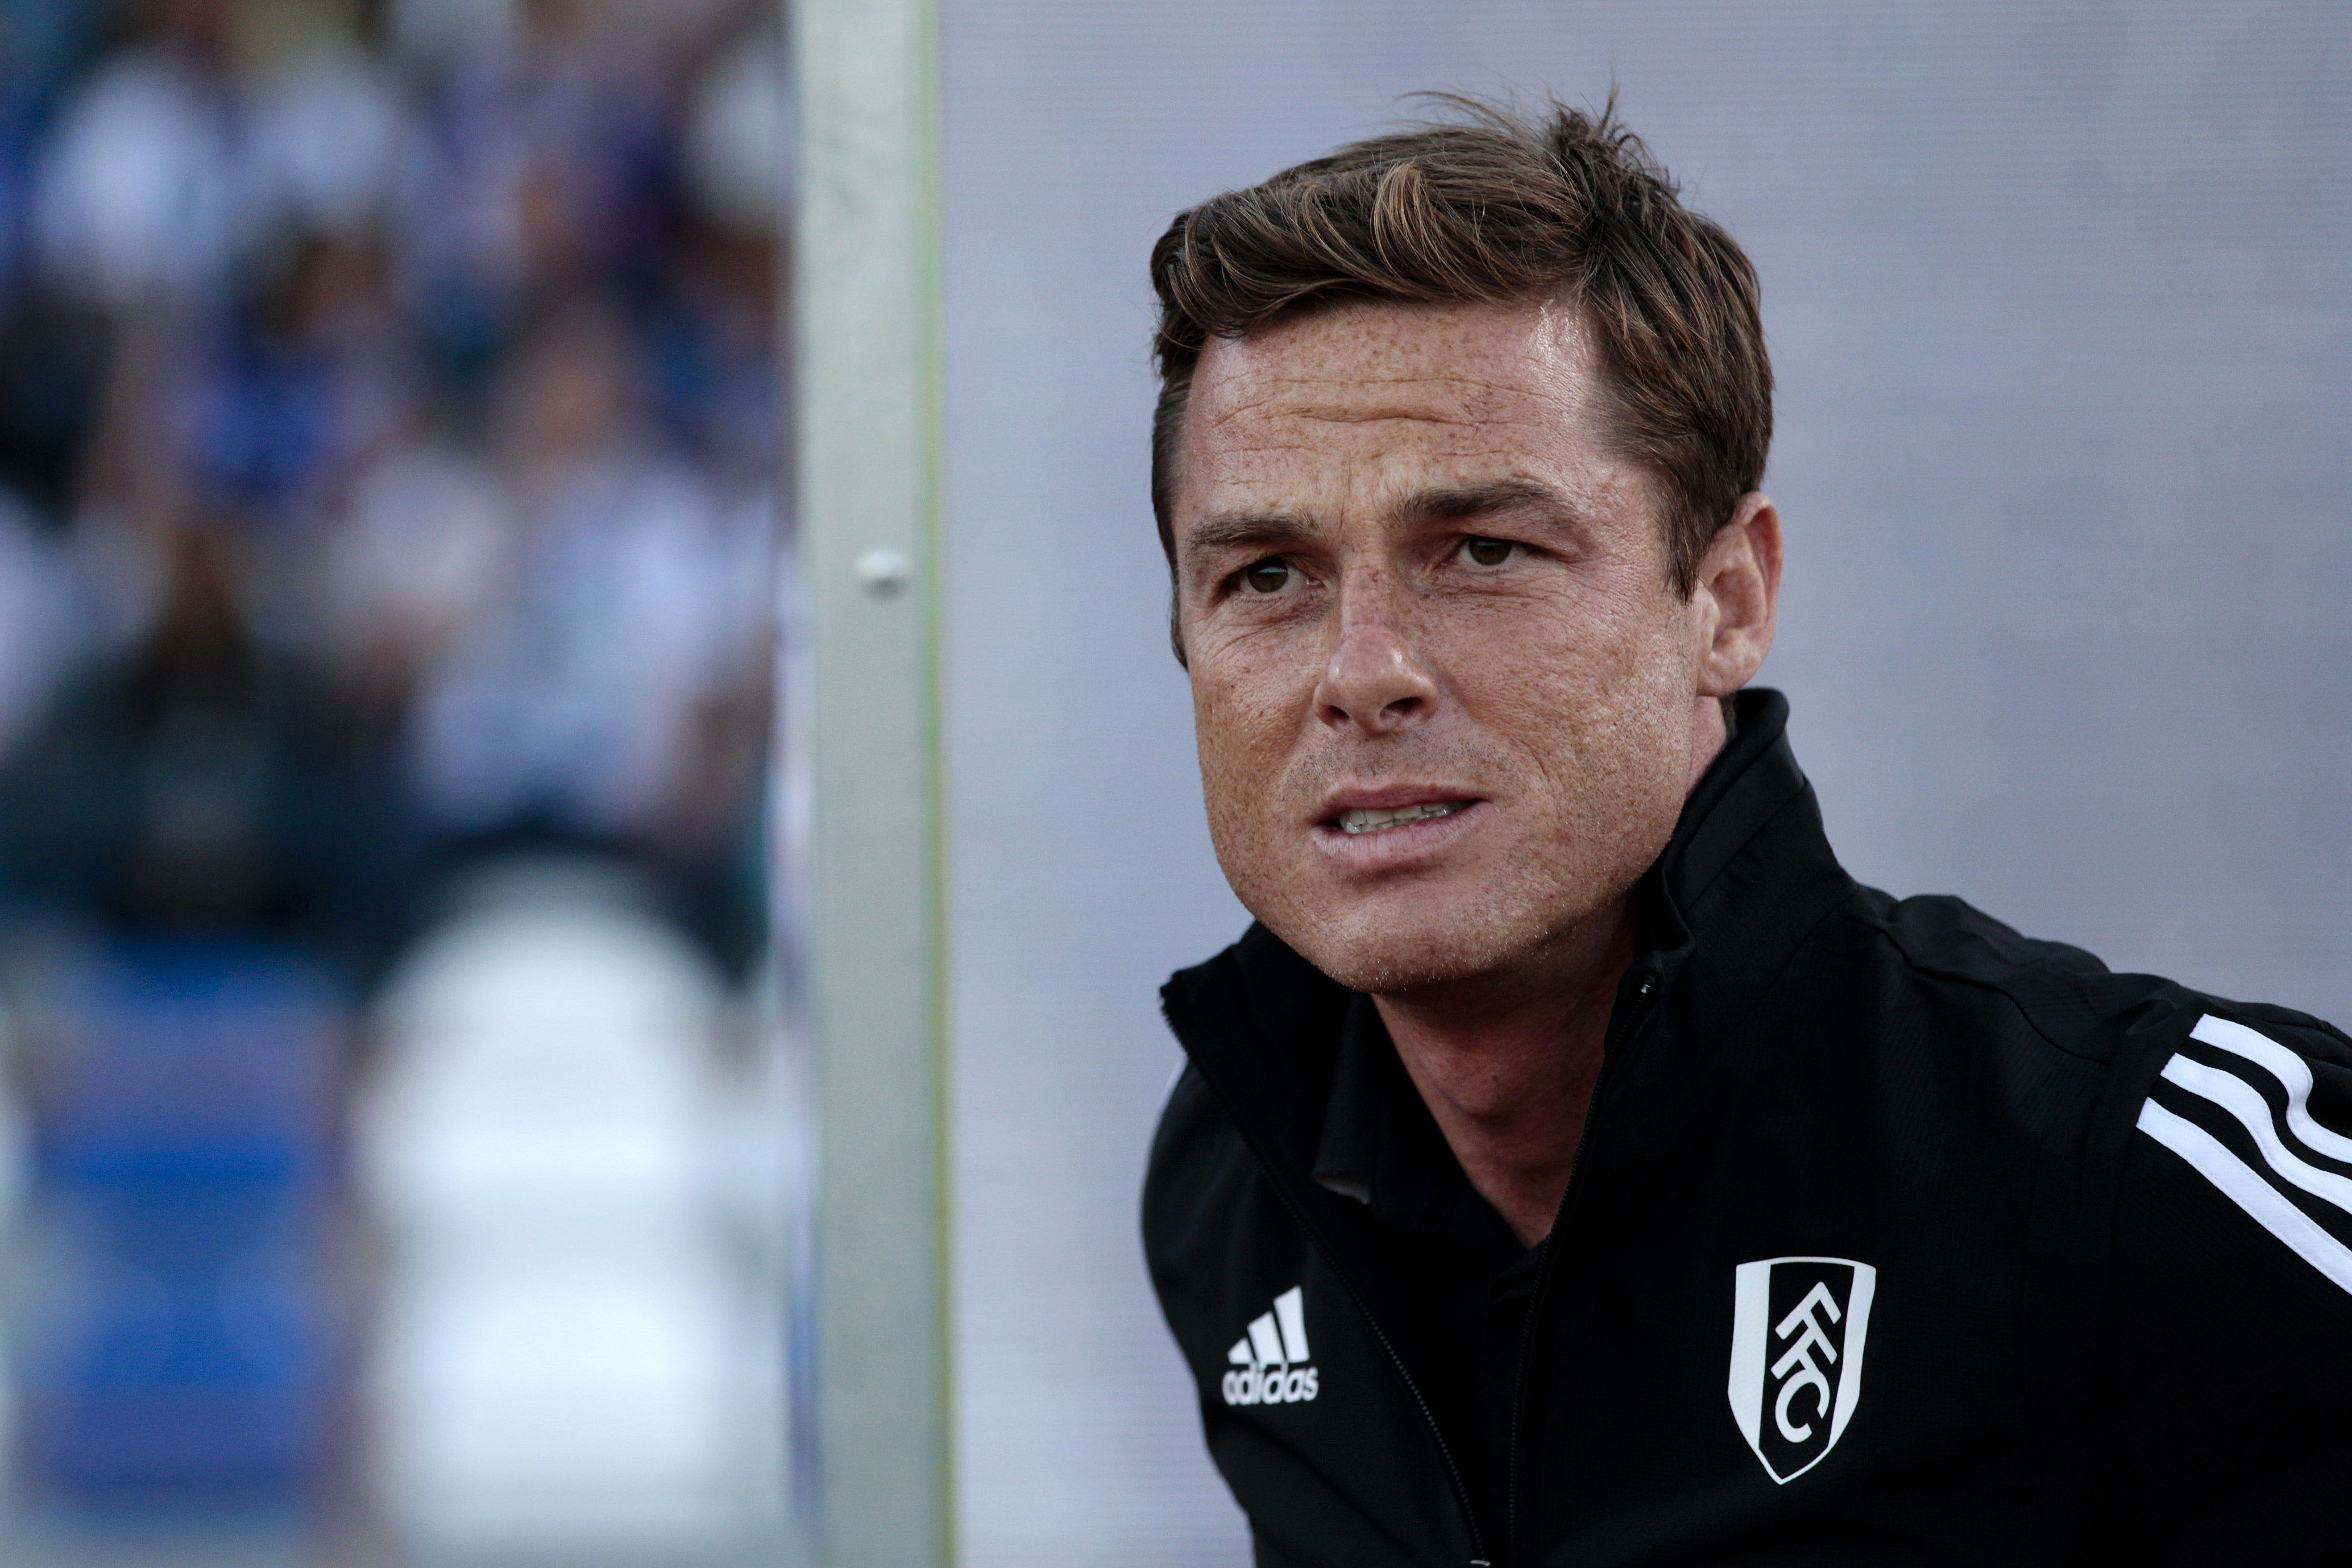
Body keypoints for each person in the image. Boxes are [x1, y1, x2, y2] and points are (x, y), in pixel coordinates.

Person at [1139, 99, 2352, 1568]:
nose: (1363, 669)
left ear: (1727, 601)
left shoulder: (2123, 1165)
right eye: (1267, 575)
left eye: (1484, 551)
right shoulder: (1233, 1181)